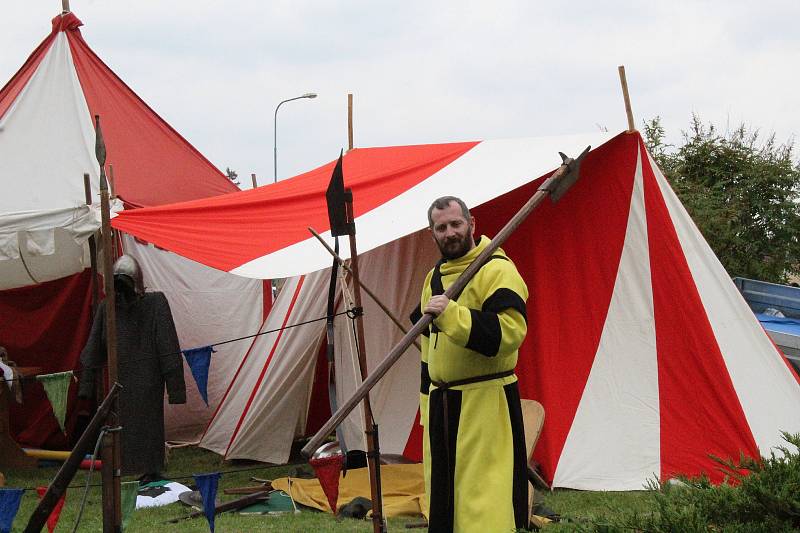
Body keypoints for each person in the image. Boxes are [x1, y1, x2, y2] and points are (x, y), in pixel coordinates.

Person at [410, 196, 529, 532]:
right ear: (432, 233)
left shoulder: (497, 270)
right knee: (445, 502)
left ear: (472, 224)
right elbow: (428, 349)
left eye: (455, 224)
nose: (450, 233)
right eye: (441, 227)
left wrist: (454, 317)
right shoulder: (433, 278)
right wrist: (425, 404)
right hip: (441, 405)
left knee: (483, 501)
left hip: (484, 404)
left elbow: (509, 333)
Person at [78, 255, 186, 481]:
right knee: (122, 427)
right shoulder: (107, 309)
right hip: (121, 383)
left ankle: (150, 468)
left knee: (148, 426)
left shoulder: (155, 304)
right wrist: (86, 387)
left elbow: (168, 347)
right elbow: (92, 352)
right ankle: (126, 467)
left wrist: (176, 390)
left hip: (148, 382)